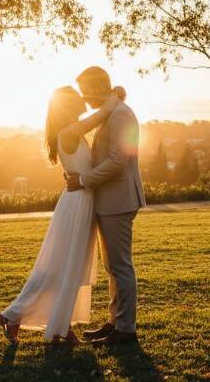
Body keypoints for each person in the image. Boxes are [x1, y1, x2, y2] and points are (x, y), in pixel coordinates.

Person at [0, 83, 126, 344]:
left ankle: (58, 325)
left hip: (81, 201)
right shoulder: (69, 131)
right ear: (67, 105)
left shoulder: (70, 131)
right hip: (76, 204)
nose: (83, 99)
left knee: (69, 267)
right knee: (63, 266)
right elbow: (101, 115)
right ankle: (19, 316)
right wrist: (116, 95)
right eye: (76, 97)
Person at [65, 66, 145, 346]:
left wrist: (82, 180)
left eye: (85, 93)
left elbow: (117, 161)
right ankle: (115, 322)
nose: (84, 100)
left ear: (97, 88)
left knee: (120, 266)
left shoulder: (120, 115)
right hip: (111, 200)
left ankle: (126, 330)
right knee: (113, 266)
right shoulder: (111, 112)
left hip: (119, 200)